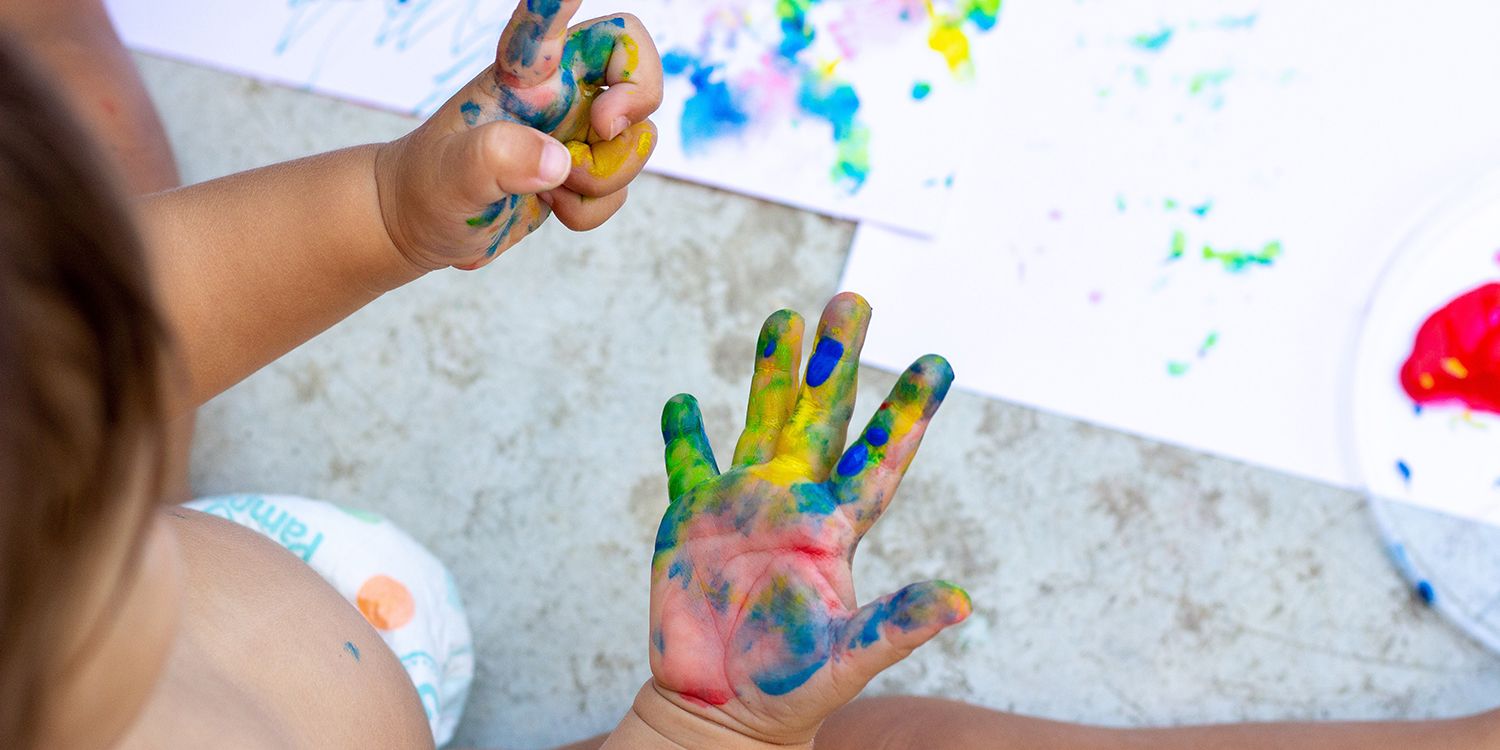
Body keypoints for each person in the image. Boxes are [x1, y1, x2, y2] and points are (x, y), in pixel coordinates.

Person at [0, 1, 1497, 748]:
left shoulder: (57, 523)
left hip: (277, 615)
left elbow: (152, 306)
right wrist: (698, 721)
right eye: (109, 484)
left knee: (72, 161)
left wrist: (393, 205)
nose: (150, 361)